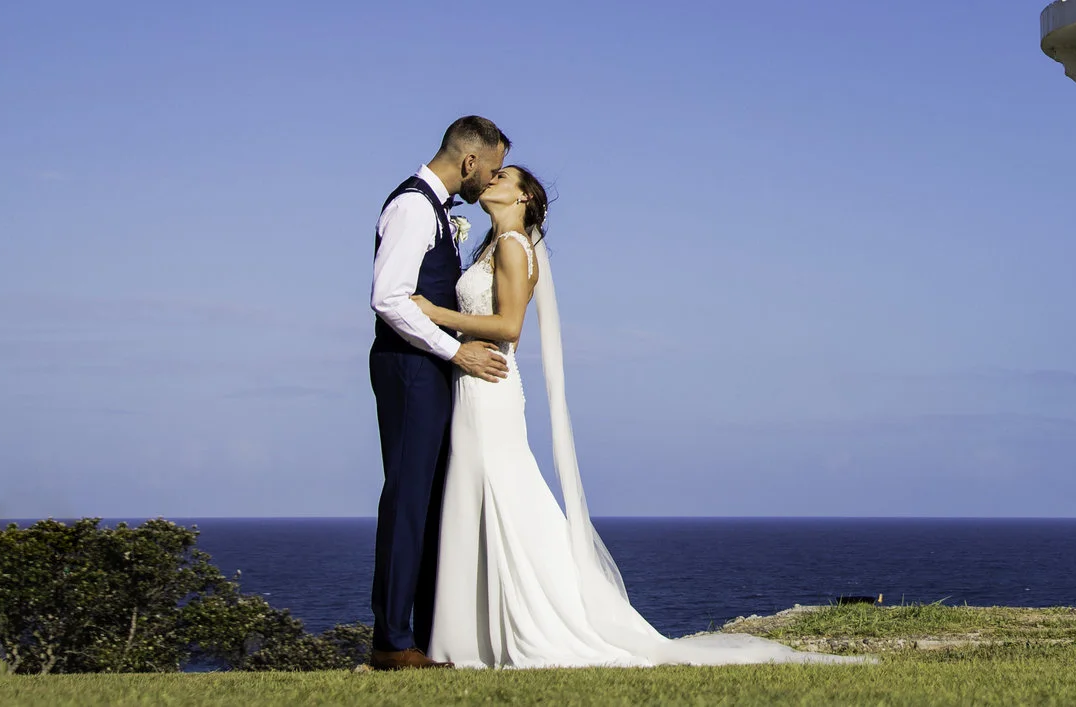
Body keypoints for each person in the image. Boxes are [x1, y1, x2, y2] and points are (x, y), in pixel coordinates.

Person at [412, 164, 860, 669]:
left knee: (500, 488)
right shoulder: (493, 247)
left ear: (522, 199)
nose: (491, 180)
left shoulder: (513, 246)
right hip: (474, 385)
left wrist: (432, 312)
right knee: (477, 490)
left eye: (504, 177)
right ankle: (470, 636)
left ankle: (534, 620)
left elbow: (509, 326)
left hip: (490, 383)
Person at [366, 114, 512, 669]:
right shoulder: (410, 207)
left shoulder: (438, 211)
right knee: (407, 497)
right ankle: (391, 641)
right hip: (408, 368)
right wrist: (456, 351)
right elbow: (390, 298)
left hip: (428, 368)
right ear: (469, 161)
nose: (490, 181)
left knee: (428, 499)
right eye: (491, 169)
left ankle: (418, 636)